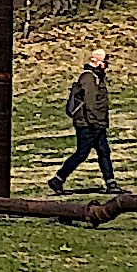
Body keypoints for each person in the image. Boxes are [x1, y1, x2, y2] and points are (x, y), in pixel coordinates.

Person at [48, 48, 117, 194]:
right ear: (96, 61)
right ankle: (58, 179)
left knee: (103, 152)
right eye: (104, 61)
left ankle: (111, 184)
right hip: (89, 125)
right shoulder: (89, 78)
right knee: (82, 153)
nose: (106, 65)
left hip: (94, 123)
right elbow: (90, 104)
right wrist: (95, 124)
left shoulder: (95, 77)